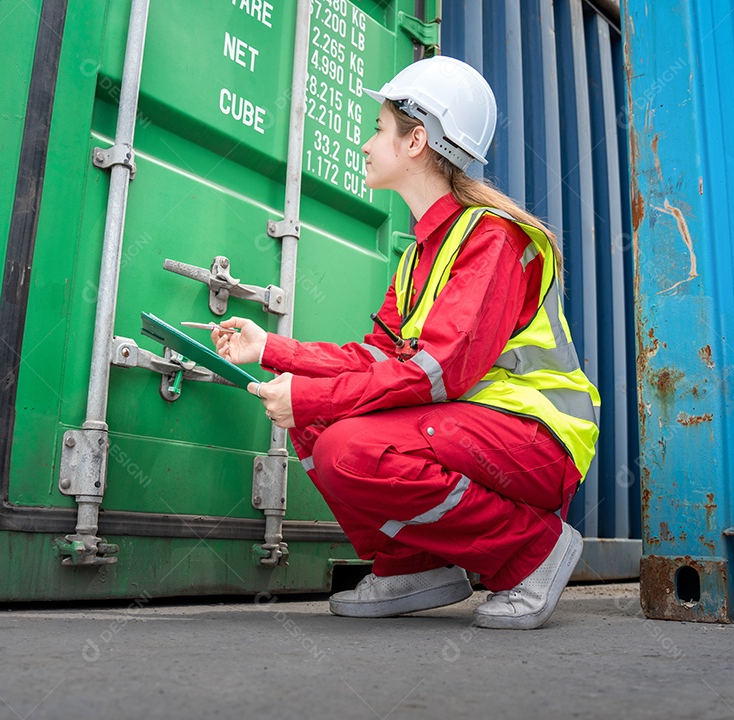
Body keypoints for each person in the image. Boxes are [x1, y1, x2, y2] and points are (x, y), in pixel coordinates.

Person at [213, 56, 599, 630]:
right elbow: (378, 356)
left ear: (416, 140)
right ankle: (412, 566)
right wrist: (270, 347)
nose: (367, 144)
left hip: (536, 439)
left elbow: (438, 372)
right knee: (316, 424)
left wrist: (313, 397)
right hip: (473, 427)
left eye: (378, 129)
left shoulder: (491, 239)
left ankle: (533, 553)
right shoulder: (420, 254)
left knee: (347, 443)